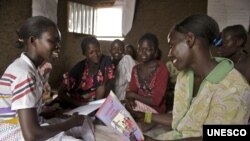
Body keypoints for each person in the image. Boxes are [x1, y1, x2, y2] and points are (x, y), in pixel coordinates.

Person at [140, 15, 250, 141]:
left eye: (172, 45)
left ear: (190, 39)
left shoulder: (234, 89)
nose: (169, 54)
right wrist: (144, 116)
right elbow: (180, 120)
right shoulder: (184, 77)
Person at [0, 16, 89, 141]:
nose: (58, 46)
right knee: (72, 128)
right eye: (53, 41)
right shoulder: (24, 73)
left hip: (27, 126)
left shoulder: (31, 69)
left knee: (85, 122)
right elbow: (32, 136)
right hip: (13, 133)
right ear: (33, 41)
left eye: (59, 42)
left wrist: (50, 114)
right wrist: (70, 123)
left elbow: (25, 111)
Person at [58, 36, 115, 108]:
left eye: (98, 50)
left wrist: (97, 108)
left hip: (97, 104)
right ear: (85, 54)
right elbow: (60, 92)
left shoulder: (105, 60)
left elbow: (104, 85)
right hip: (78, 105)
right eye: (91, 52)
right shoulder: (79, 68)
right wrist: (78, 104)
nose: (96, 54)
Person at [125, 33, 169, 114]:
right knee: (121, 107)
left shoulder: (162, 69)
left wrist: (133, 96)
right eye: (140, 49)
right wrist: (131, 100)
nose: (143, 53)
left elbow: (156, 101)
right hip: (138, 106)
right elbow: (132, 90)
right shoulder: (136, 69)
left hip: (156, 110)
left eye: (148, 49)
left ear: (155, 51)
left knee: (141, 120)